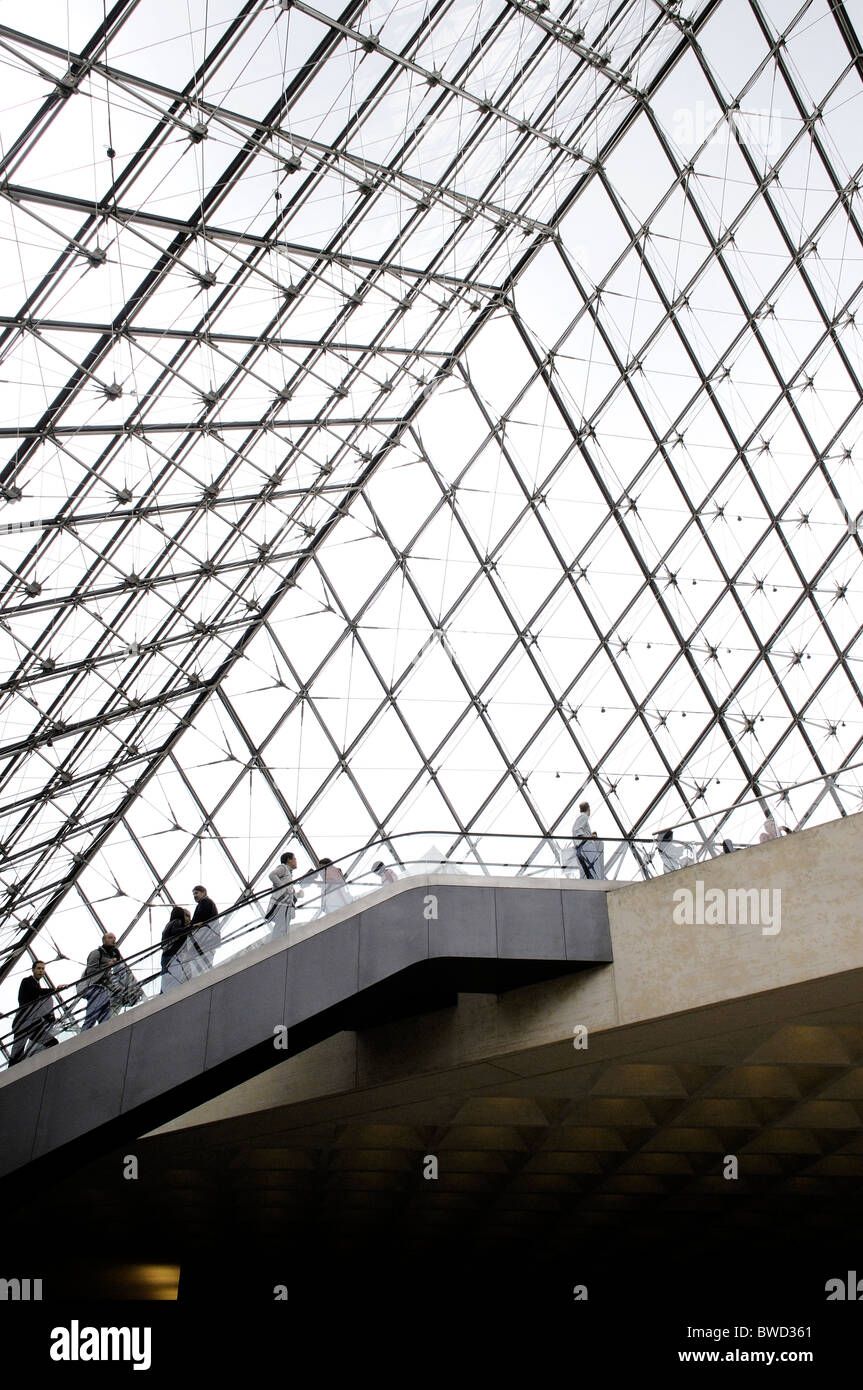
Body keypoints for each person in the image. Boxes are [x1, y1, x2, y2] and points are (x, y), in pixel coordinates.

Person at [8, 961, 62, 1065]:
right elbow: (35, 992)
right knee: (16, 1054)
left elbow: (39, 1000)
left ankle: (41, 1065)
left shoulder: (36, 986)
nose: (41, 971)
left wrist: (50, 1017)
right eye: (39, 968)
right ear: (33, 970)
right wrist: (54, 990)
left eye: (43, 969)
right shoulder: (27, 981)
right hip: (24, 1022)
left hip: (32, 1024)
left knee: (52, 1042)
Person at [79, 932, 123, 1030]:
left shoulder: (108, 956)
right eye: (110, 938)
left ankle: (104, 1032)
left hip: (101, 989)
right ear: (104, 940)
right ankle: (85, 1034)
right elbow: (91, 971)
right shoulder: (96, 953)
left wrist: (115, 988)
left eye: (114, 938)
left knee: (105, 1014)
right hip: (91, 987)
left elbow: (106, 976)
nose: (113, 940)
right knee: (93, 1014)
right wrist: (108, 965)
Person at [185, 885, 219, 978]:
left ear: (203, 893)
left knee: (200, 964)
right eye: (193, 894)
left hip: (205, 937)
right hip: (209, 938)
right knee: (205, 962)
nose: (195, 895)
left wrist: (191, 926)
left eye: (196, 893)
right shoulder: (207, 902)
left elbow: (199, 917)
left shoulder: (205, 902)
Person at [266, 852, 302, 937]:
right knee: (281, 925)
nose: (296, 861)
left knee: (283, 925)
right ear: (289, 860)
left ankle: (278, 941)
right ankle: (276, 943)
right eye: (295, 859)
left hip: (285, 905)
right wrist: (283, 888)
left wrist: (297, 895)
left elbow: (288, 891)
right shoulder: (283, 868)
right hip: (281, 904)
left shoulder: (289, 873)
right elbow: (272, 875)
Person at [160, 906, 191, 993]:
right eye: (186, 915)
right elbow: (175, 931)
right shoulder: (178, 922)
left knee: (166, 977)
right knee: (177, 975)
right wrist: (189, 928)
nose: (188, 919)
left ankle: (163, 996)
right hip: (172, 956)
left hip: (165, 956)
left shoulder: (168, 925)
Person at [571, 801, 594, 878]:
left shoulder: (580, 817)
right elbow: (577, 830)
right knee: (590, 868)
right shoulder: (584, 817)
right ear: (588, 809)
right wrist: (588, 838)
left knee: (585, 870)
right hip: (585, 847)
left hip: (581, 847)